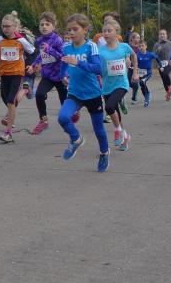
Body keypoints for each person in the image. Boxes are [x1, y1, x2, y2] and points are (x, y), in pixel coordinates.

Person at [58, 13, 110, 172]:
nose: (71, 33)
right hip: (75, 93)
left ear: (85, 30)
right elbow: (63, 66)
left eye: (75, 29)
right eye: (69, 30)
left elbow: (98, 69)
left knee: (99, 130)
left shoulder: (91, 47)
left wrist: (79, 62)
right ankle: (76, 139)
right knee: (63, 117)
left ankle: (104, 153)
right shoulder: (66, 47)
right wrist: (63, 76)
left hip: (92, 93)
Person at [0, 13, 35, 143]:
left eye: (8, 26)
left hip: (17, 73)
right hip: (4, 74)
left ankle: (8, 133)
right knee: (6, 98)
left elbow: (32, 52)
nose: (5, 29)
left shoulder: (21, 40)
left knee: (10, 101)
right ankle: (24, 92)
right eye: (3, 26)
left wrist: (30, 65)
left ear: (15, 27)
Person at [99, 20, 138, 151]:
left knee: (109, 107)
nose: (106, 33)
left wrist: (135, 72)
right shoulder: (100, 51)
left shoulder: (124, 47)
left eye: (109, 31)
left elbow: (134, 55)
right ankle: (125, 137)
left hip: (121, 84)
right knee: (115, 113)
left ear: (116, 33)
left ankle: (117, 130)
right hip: (107, 86)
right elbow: (97, 67)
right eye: (104, 31)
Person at [29, 12, 67, 134]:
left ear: (53, 26)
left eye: (47, 24)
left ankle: (71, 117)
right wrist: (33, 65)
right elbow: (41, 56)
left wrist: (49, 49)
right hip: (48, 75)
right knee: (39, 94)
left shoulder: (58, 40)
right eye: (42, 24)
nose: (44, 27)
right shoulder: (39, 40)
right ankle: (43, 120)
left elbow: (63, 56)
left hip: (60, 75)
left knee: (64, 102)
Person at [153, 29, 171, 100]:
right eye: (160, 34)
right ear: (158, 36)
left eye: (163, 34)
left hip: (168, 63)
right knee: (163, 79)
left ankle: (170, 87)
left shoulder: (170, 43)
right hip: (160, 64)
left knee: (166, 74)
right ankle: (168, 93)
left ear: (166, 35)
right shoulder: (156, 44)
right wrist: (158, 50)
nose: (162, 35)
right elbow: (154, 55)